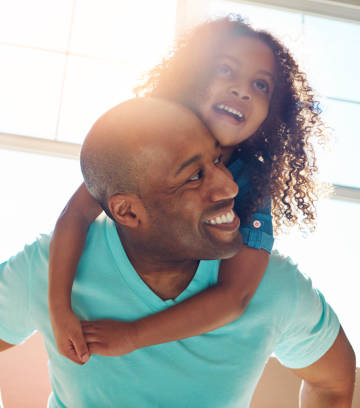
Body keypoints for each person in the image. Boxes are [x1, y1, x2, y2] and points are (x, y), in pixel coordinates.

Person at [0, 98, 355, 407]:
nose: (230, 186)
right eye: (194, 176)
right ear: (127, 210)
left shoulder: (273, 287)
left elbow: (333, 381)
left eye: (217, 161)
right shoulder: (51, 267)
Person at [49, 16, 329, 364]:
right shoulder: (145, 142)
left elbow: (235, 296)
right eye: (226, 70)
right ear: (192, 76)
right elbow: (76, 214)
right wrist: (59, 311)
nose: (243, 90)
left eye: (260, 85)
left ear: (270, 115)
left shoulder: (253, 184)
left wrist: (134, 335)